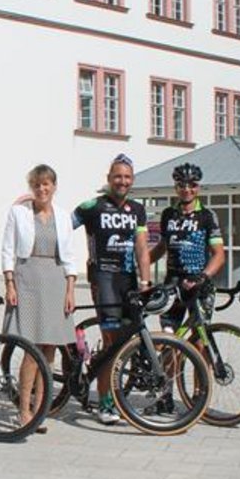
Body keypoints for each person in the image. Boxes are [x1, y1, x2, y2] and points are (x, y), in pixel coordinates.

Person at [72, 154, 151, 425]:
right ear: (108, 179)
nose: (122, 181)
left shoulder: (138, 209)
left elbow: (142, 247)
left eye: (127, 177)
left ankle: (112, 392)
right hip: (102, 278)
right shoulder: (93, 206)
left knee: (126, 340)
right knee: (111, 342)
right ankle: (105, 403)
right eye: (118, 176)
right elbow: (60, 224)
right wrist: (31, 207)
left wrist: (145, 282)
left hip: (128, 280)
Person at [0, 165, 77, 426]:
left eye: (46, 184)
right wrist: (10, 283)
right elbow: (7, 249)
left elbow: (70, 256)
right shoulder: (19, 212)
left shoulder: (64, 216)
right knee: (31, 350)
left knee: (50, 352)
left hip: (56, 279)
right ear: (31, 187)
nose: (42, 189)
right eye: (37, 184)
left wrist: (70, 290)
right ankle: (24, 411)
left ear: (54, 186)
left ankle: (41, 409)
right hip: (27, 278)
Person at [150, 163, 225, 334]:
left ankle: (205, 362)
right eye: (181, 184)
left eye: (192, 184)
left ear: (198, 187)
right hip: (173, 284)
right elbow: (162, 247)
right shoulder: (168, 214)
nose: (187, 189)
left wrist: (203, 276)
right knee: (169, 339)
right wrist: (140, 263)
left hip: (199, 285)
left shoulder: (207, 215)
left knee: (199, 340)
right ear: (175, 187)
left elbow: (219, 255)